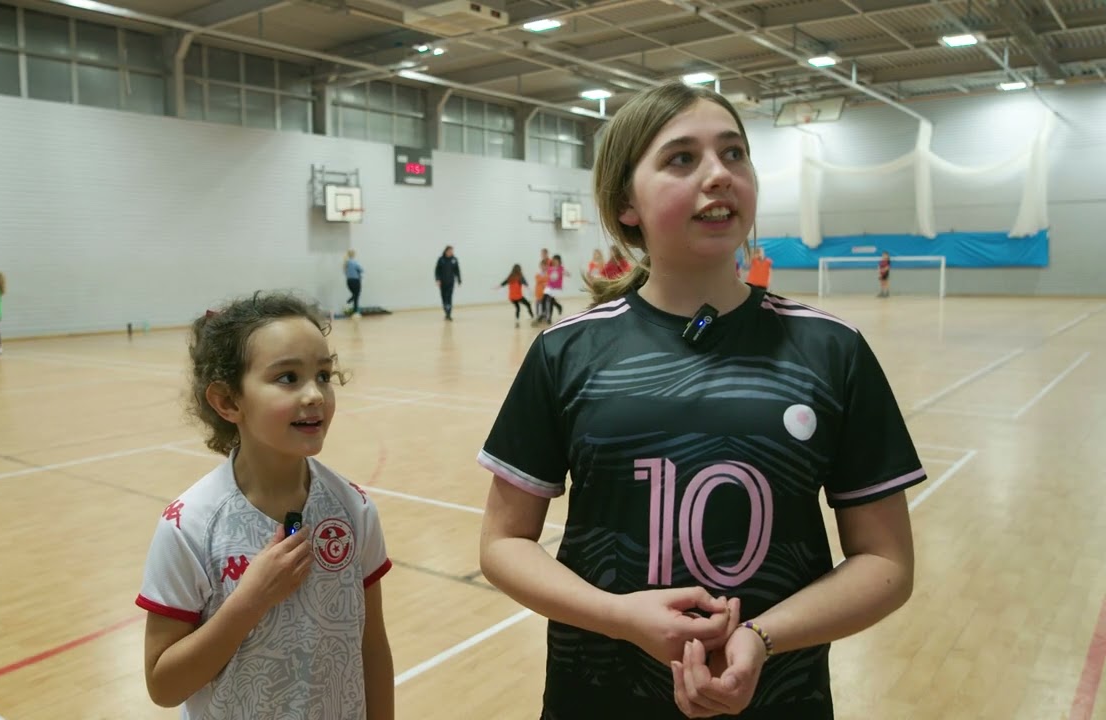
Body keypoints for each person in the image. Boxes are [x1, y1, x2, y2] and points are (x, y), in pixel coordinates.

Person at [476, 82, 922, 719]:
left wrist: (761, 638)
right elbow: (502, 544)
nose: (719, 174)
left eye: (734, 154)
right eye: (682, 158)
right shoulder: (565, 353)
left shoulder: (832, 350)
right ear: (626, 202)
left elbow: (886, 561)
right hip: (596, 697)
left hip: (778, 701)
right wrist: (620, 617)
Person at [136, 291, 394, 720]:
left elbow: (372, 646)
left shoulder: (355, 511)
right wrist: (249, 602)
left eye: (324, 375)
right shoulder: (190, 526)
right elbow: (163, 685)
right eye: (288, 378)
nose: (315, 394)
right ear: (228, 401)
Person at [434, 245, 462, 321]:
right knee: (444, 299)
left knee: (449, 298)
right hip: (442, 283)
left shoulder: (454, 260)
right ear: (446, 251)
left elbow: (457, 270)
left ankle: (449, 314)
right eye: (450, 251)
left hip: (450, 282)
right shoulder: (441, 259)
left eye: (452, 251)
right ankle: (446, 312)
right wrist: (437, 279)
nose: (451, 252)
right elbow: (437, 271)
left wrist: (459, 279)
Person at [343, 249, 364, 316]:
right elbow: (361, 270)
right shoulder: (354, 262)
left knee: (355, 294)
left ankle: (353, 306)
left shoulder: (346, 263)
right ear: (353, 254)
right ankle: (355, 309)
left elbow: (345, 272)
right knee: (357, 295)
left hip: (349, 281)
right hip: (355, 281)